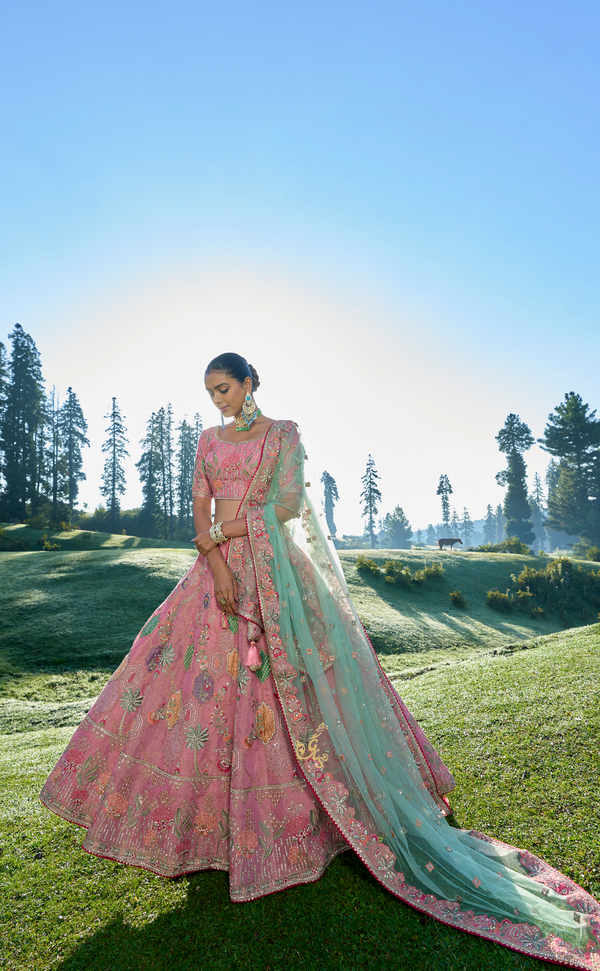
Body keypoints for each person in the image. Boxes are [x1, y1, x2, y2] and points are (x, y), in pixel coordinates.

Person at [41, 353, 600, 968]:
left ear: (250, 381)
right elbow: (198, 504)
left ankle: (300, 822)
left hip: (277, 575)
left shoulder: (284, 436)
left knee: (294, 690)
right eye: (209, 392)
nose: (217, 401)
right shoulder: (207, 440)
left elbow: (285, 505)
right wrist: (217, 559)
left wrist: (231, 535)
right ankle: (205, 832)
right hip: (216, 574)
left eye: (224, 389)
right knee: (190, 691)